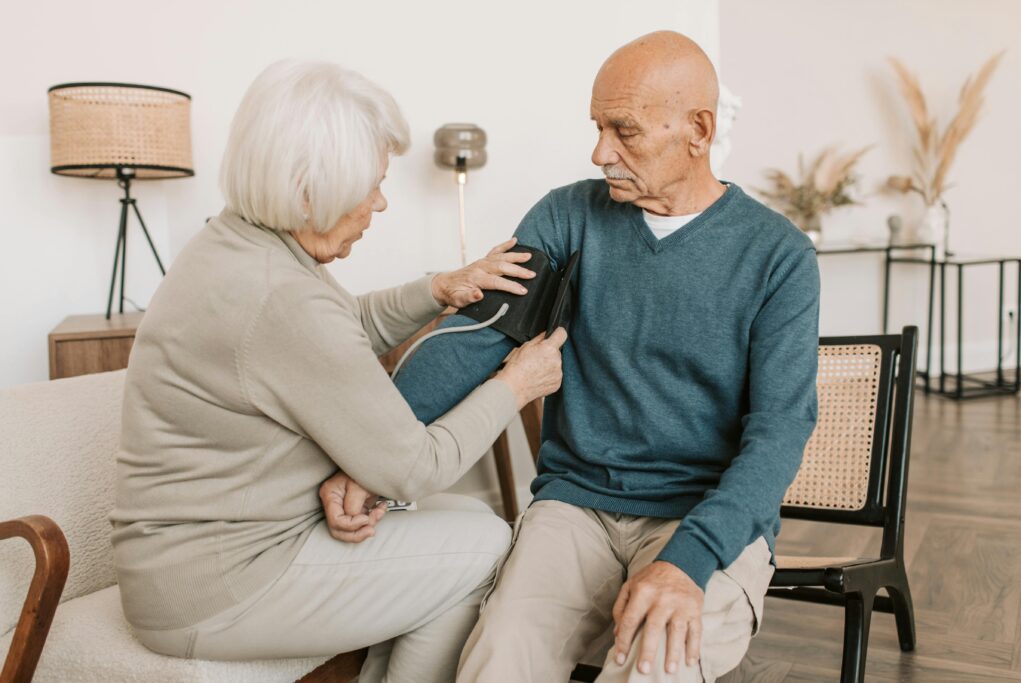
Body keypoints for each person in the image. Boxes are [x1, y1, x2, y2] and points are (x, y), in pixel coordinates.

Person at [109, 60, 566, 683]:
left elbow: (338, 326)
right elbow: (414, 468)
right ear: (307, 191)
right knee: (487, 546)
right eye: (371, 185)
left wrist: (439, 288)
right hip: (216, 588)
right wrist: (516, 384)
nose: (380, 203)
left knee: (467, 523)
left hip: (195, 562)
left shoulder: (239, 242)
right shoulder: (278, 296)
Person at [392, 31, 821, 682]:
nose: (600, 152)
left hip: (700, 510)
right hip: (576, 506)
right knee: (496, 660)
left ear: (698, 130)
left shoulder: (779, 257)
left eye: (624, 130)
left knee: (652, 665)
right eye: (597, 127)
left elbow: (779, 432)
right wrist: (373, 453)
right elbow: (478, 340)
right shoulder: (567, 217)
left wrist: (691, 558)